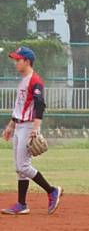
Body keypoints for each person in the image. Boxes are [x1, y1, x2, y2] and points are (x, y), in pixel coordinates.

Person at [2, 46, 63, 215]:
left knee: (23, 165)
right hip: (19, 125)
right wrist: (11, 125)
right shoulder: (23, 80)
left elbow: (39, 104)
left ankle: (52, 191)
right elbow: (20, 107)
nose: (16, 62)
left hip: (28, 126)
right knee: (18, 167)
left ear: (27, 61)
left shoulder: (35, 80)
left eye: (18, 60)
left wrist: (36, 129)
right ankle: (21, 204)